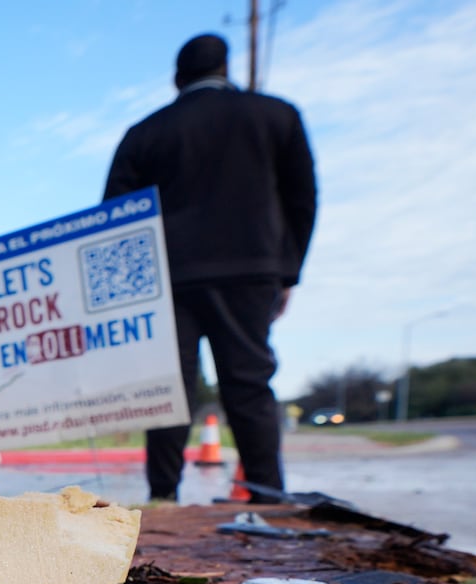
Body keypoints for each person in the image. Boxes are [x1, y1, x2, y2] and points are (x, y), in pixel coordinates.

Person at [104, 32, 317, 502]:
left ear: (177, 79)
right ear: (225, 69)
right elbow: (303, 199)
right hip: (251, 270)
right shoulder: (276, 116)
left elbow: (113, 216)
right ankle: (267, 497)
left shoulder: (145, 133)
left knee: (168, 389)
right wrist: (288, 271)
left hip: (167, 279)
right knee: (248, 384)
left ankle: (162, 499)